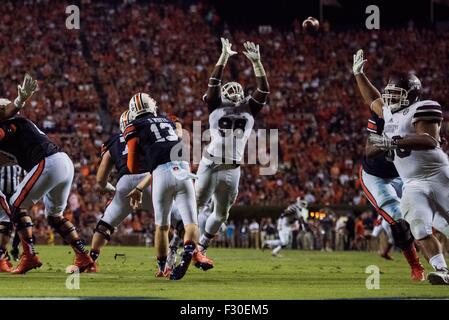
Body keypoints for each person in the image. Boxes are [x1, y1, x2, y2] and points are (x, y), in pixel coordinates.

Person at [354, 49, 449, 285]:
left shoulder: (423, 107)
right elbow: (372, 99)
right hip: (411, 182)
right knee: (417, 225)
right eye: (389, 93)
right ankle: (442, 270)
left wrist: (392, 141)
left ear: (411, 95)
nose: (389, 97)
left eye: (395, 94)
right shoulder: (388, 113)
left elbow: (430, 140)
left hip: (436, 175)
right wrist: (358, 75)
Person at [124, 92, 213, 280]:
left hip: (161, 173)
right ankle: (189, 250)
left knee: (162, 227)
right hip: (183, 169)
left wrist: (144, 161)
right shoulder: (166, 121)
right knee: (191, 223)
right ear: (151, 106)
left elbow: (131, 165)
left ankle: (163, 267)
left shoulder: (134, 125)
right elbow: (177, 133)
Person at [196, 38, 269, 258]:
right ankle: (176, 248)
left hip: (232, 168)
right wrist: (224, 56)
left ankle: (200, 248)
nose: (234, 91)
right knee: (194, 207)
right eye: (229, 90)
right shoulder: (215, 104)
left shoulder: (249, 107)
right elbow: (213, 82)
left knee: (221, 215)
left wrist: (257, 63)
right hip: (210, 163)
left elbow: (264, 90)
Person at [88, 110, 153, 272]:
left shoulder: (114, 141)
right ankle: (187, 254)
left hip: (125, 182)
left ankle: (91, 261)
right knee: (172, 217)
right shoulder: (149, 134)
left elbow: (100, 179)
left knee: (106, 223)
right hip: (149, 180)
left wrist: (112, 189)